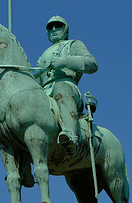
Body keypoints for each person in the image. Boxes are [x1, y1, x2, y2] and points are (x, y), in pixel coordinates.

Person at [37, 16, 98, 149]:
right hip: (45, 92)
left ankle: (70, 134)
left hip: (67, 87)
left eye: (58, 26)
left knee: (61, 87)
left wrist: (65, 61)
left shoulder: (74, 44)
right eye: (50, 28)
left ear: (65, 30)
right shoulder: (42, 56)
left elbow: (92, 64)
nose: (53, 29)